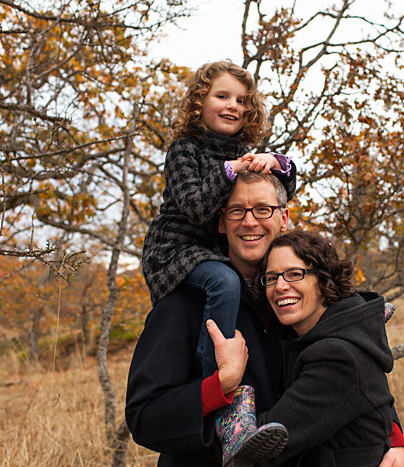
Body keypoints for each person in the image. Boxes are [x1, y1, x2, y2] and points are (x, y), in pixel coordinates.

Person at [126, 172, 404, 466]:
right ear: (221, 222)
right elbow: (144, 418)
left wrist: (392, 437)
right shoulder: (185, 304)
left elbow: (353, 367)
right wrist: (221, 384)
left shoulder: (297, 298)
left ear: (283, 217)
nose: (250, 222)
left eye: (263, 209)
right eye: (236, 211)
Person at [140, 61, 297, 465]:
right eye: (222, 96)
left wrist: (275, 164)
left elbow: (346, 374)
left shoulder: (285, 293)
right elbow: (194, 207)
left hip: (210, 253)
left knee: (303, 270)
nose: (233, 106)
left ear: (281, 216)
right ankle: (230, 405)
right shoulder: (185, 149)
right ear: (199, 102)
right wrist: (220, 384)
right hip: (178, 249)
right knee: (225, 283)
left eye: (242, 100)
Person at [210, 230, 403, 466]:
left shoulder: (337, 357)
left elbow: (261, 448)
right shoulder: (306, 333)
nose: (280, 286)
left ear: (323, 280)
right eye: (271, 278)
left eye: (294, 274)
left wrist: (227, 383)